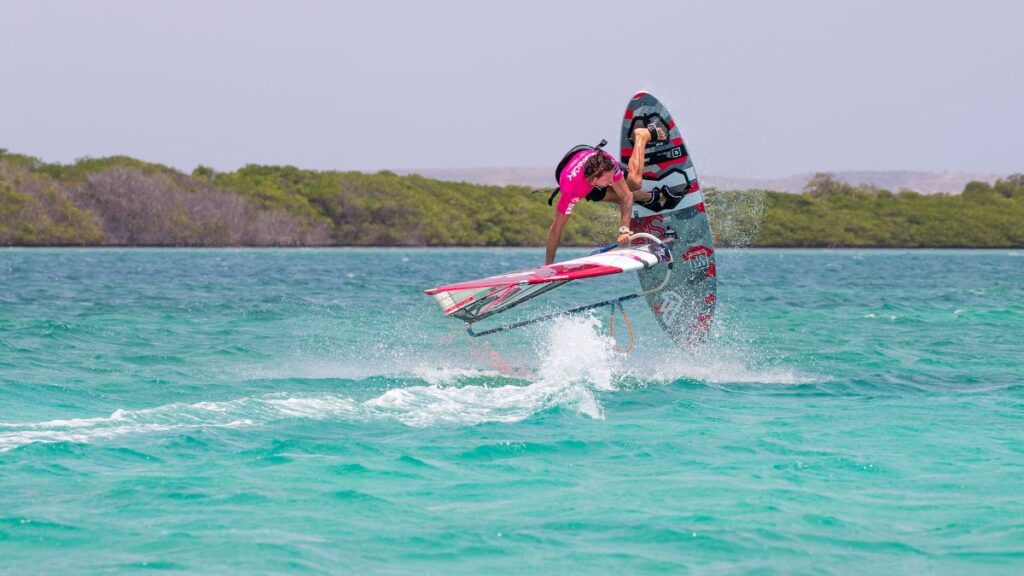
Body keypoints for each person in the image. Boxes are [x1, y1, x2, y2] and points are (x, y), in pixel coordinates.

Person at [545, 125, 667, 265]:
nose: (612, 181)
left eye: (612, 178)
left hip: (591, 158)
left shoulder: (608, 163)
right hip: (575, 177)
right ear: (594, 181)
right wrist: (548, 266)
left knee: (633, 184)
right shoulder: (571, 191)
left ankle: (642, 136)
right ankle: (648, 197)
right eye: (608, 180)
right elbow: (556, 228)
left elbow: (626, 195)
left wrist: (624, 229)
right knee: (621, 195)